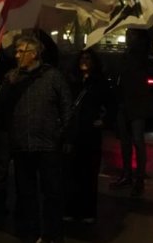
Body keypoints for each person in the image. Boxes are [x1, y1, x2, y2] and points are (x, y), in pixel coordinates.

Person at [0, 34, 73, 243]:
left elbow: (67, 108)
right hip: (22, 144)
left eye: (21, 51)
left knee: (52, 192)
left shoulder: (52, 76)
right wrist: (9, 86)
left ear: (33, 54)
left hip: (48, 145)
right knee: (26, 192)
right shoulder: (12, 77)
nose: (16, 55)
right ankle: (31, 232)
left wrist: (61, 135)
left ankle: (53, 233)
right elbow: (1, 108)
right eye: (16, 51)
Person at [64, 49, 107, 225]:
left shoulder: (99, 83)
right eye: (82, 57)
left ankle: (87, 210)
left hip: (90, 134)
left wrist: (103, 121)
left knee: (89, 174)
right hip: (74, 133)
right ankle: (70, 209)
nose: (84, 61)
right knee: (71, 173)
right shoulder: (71, 82)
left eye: (88, 58)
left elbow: (110, 104)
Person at [110, 27, 152, 196]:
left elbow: (145, 42)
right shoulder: (126, 54)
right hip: (124, 104)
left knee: (137, 140)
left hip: (137, 104)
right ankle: (127, 174)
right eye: (127, 34)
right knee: (126, 141)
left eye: (131, 34)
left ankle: (139, 178)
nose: (128, 37)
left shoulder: (140, 53)